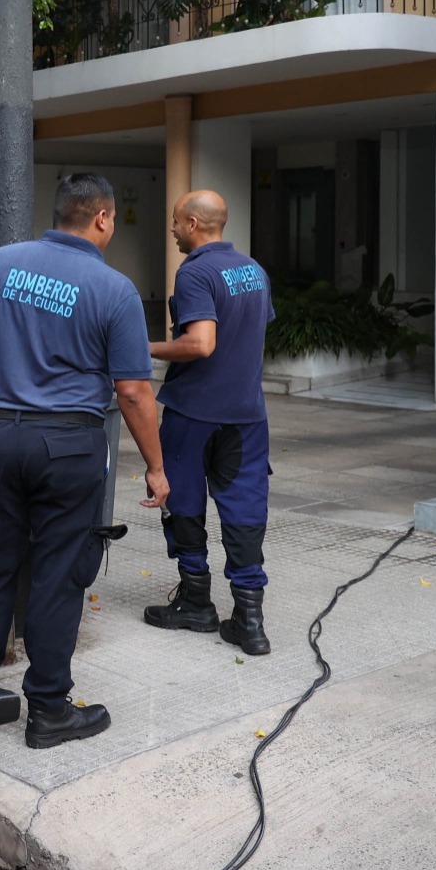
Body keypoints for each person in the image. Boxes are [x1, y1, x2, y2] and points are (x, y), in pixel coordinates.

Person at [0, 174, 169, 749]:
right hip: (68, 447)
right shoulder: (113, 288)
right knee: (58, 575)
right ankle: (48, 709)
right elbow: (134, 391)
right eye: (114, 219)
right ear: (101, 218)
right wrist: (156, 466)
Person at [144, 190, 276, 657]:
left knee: (182, 502)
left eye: (177, 221)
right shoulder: (253, 270)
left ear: (196, 224)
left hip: (195, 413)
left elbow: (200, 344)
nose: (174, 229)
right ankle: (250, 620)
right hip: (246, 416)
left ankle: (197, 603)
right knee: (244, 510)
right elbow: (256, 343)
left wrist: (144, 349)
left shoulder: (195, 271)